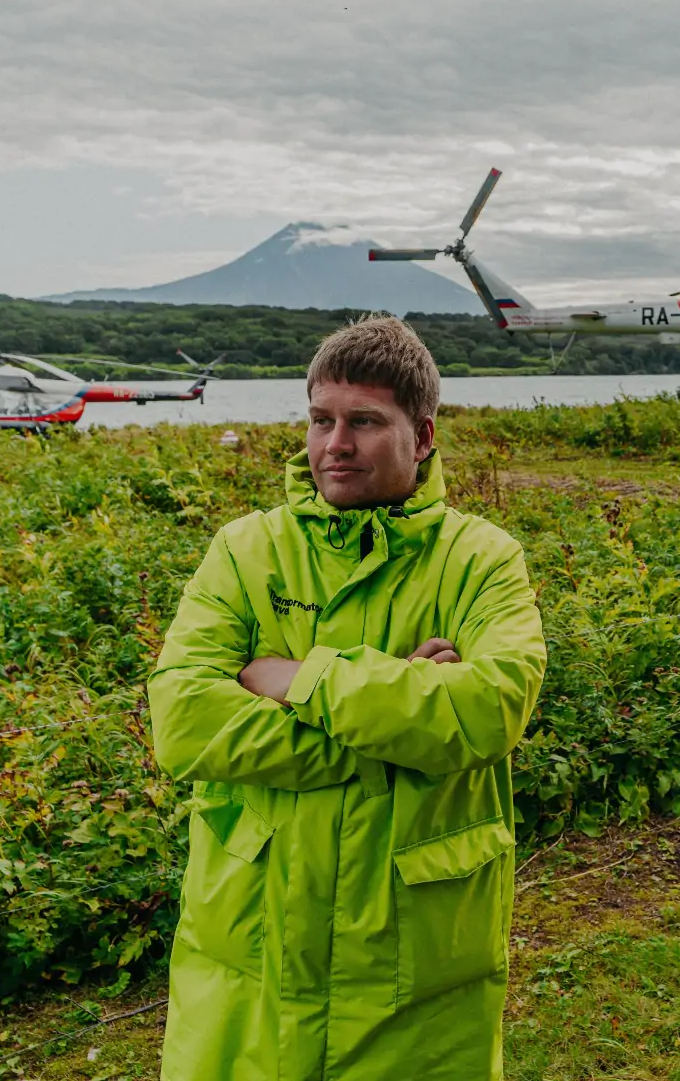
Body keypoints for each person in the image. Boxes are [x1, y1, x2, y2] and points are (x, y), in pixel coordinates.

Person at [147, 316, 546, 1081]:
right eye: (321, 421)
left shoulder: (482, 560)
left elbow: (489, 710)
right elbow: (185, 725)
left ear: (423, 436)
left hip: (417, 964)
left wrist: (299, 679)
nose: (336, 444)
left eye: (365, 422)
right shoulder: (246, 549)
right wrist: (398, 709)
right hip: (250, 950)